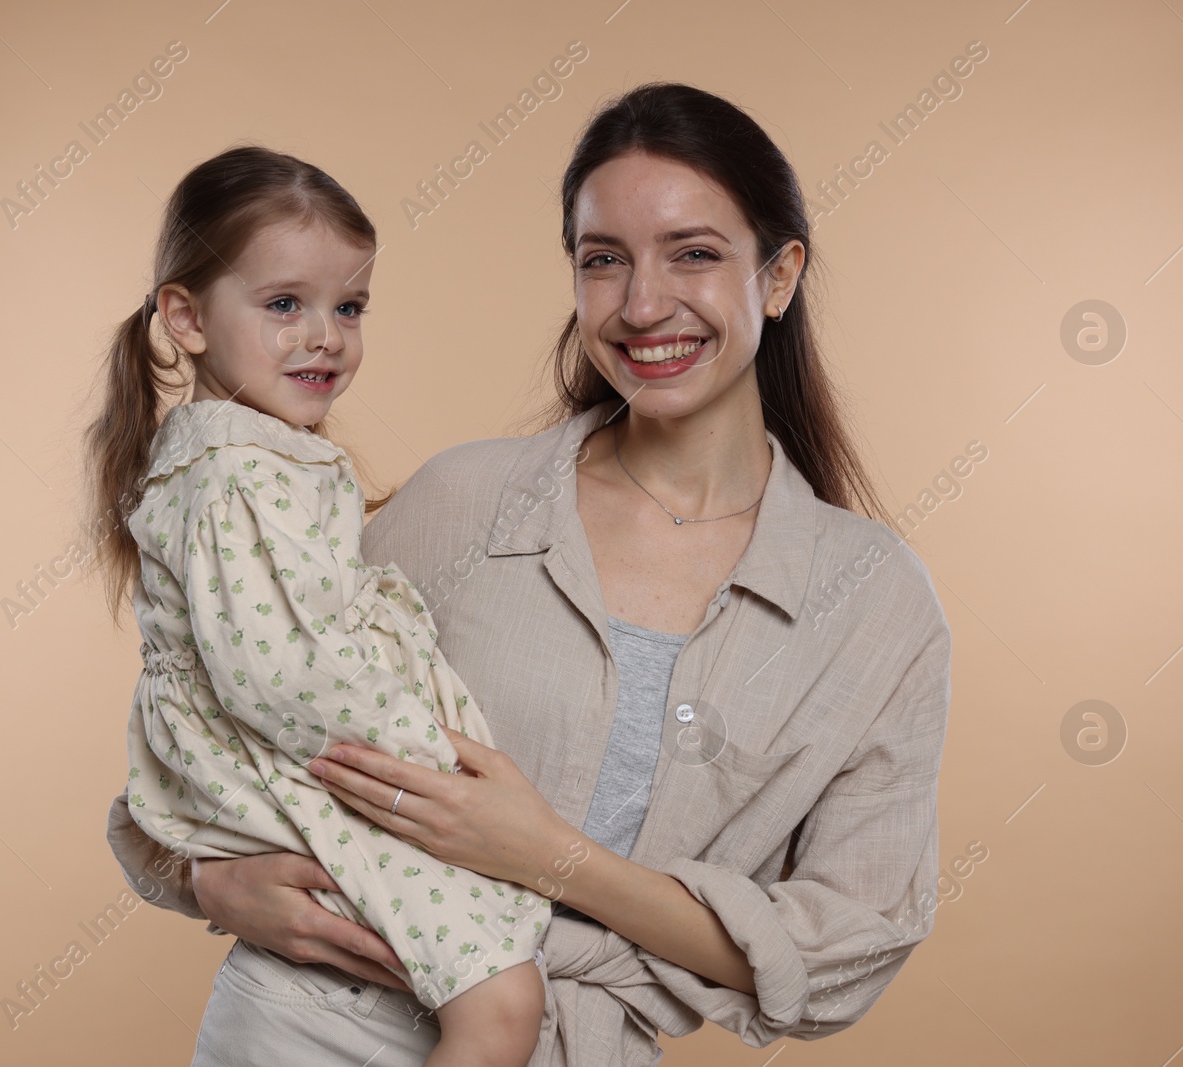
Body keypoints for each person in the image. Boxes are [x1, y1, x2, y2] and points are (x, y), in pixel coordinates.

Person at [105, 82, 953, 1067]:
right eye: (603, 261)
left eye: (693, 253)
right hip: (308, 1023)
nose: (642, 304)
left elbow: (851, 947)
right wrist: (208, 880)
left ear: (777, 273)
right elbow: (219, 710)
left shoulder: (874, 603)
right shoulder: (463, 501)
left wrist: (551, 857)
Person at [85, 144, 547, 1067]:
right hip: (312, 774)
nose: (325, 335)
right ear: (185, 317)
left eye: (350, 306)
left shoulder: (253, 455)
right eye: (284, 304)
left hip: (291, 773)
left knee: (495, 989)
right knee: (502, 1002)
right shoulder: (234, 472)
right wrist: (430, 769)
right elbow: (280, 673)